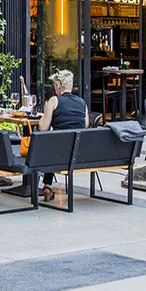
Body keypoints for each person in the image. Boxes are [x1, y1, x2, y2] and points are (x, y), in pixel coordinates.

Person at [38, 69, 88, 202]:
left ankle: (46, 185)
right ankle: (47, 186)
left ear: (58, 86)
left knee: (47, 146)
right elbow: (85, 125)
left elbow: (43, 127)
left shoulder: (54, 101)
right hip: (78, 153)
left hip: (58, 154)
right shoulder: (82, 103)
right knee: (55, 145)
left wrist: (45, 111)